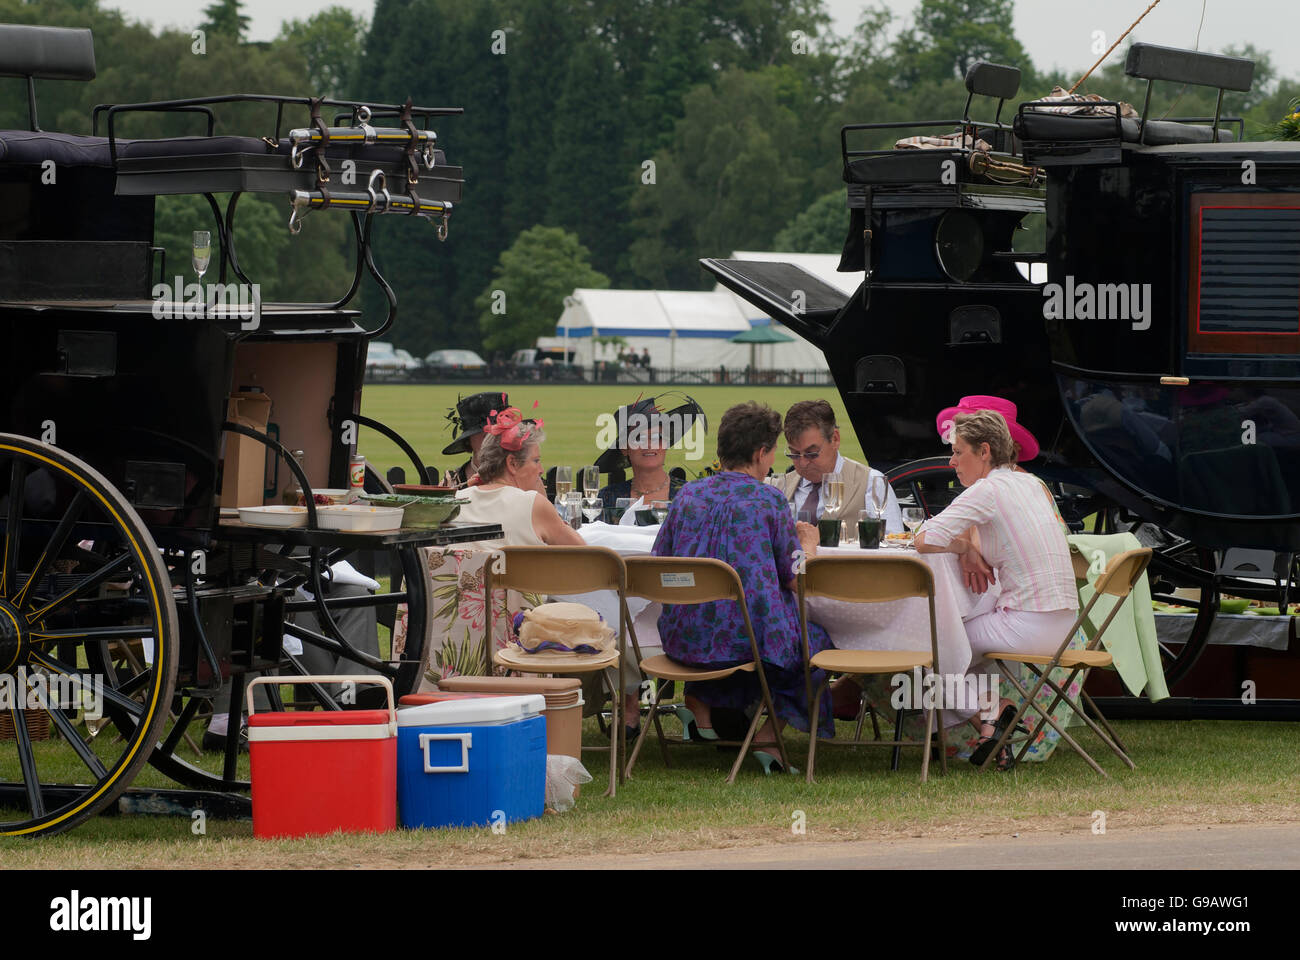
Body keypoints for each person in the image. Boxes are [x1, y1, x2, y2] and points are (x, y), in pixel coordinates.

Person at [652, 401, 832, 774]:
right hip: (744, 640)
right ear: (761, 453)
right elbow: (796, 577)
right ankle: (768, 739)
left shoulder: (687, 495)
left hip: (682, 639)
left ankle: (698, 703)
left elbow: (659, 562)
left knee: (753, 644)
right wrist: (809, 545)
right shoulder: (769, 500)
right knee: (814, 646)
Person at [914, 409, 1079, 770]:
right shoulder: (1031, 483)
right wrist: (971, 544)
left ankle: (992, 714)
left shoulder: (987, 490)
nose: (952, 461)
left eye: (959, 452)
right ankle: (992, 730)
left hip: (1029, 625)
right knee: (967, 650)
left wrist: (964, 548)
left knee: (928, 649)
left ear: (984, 451)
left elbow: (924, 539)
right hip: (1066, 626)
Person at [453, 408, 581, 548]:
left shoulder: (456, 501)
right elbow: (587, 555)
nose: (541, 470)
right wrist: (542, 497)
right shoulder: (533, 504)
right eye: (536, 461)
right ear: (512, 463)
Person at [774, 399, 903, 531]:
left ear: (835, 439)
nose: (803, 463)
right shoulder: (779, 486)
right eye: (794, 454)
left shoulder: (871, 482)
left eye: (811, 453)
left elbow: (893, 544)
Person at [594, 393, 704, 518]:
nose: (649, 444)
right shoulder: (608, 498)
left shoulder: (690, 496)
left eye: (657, 437)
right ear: (625, 448)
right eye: (639, 437)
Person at [442, 392, 508, 487]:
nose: (491, 438)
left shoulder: (525, 476)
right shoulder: (451, 482)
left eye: (498, 431)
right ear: (468, 439)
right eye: (484, 434)